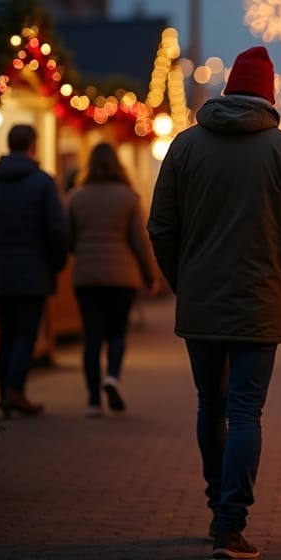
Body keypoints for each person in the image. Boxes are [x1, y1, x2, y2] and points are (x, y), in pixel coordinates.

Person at [147, 45, 281, 560]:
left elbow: (161, 227)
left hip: (201, 302)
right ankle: (231, 523)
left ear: (227, 90)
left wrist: (186, 281)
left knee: (211, 405)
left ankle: (215, 507)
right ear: (269, 96)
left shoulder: (184, 147)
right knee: (246, 411)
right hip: (260, 302)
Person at [0, 123, 67, 417]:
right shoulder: (43, 183)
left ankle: (6, 395)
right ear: (33, 146)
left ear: (8, 145)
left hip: (0, 272)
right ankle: (15, 391)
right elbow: (57, 231)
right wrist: (54, 264)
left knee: (6, 334)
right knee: (26, 334)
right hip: (34, 274)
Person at [66, 142, 160, 416]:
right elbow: (139, 242)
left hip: (86, 277)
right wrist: (150, 276)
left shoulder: (76, 197)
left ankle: (93, 401)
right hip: (122, 277)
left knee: (92, 337)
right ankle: (112, 378)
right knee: (117, 333)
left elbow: (68, 240)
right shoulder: (129, 197)